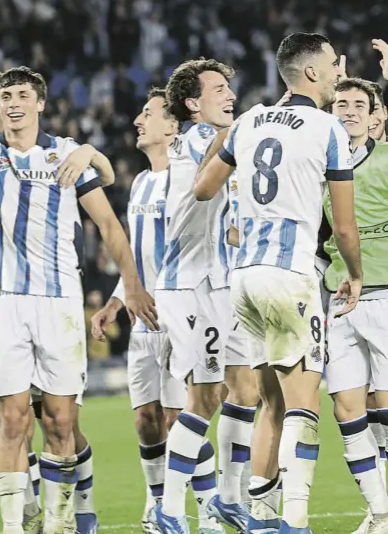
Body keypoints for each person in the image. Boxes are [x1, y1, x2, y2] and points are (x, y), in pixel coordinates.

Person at [0, 0, 157, 534]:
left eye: (24, 95)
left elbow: (109, 224)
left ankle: (55, 522)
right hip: (5, 303)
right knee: (13, 417)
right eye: (6, 97)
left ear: (40, 103)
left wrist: (132, 283)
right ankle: (13, 525)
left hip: (62, 303)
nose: (14, 103)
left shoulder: (66, 155)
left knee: (62, 420)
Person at [194, 32, 361, 534]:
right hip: (292, 275)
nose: (338, 71)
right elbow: (346, 226)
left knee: (272, 400)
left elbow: (202, 189)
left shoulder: (247, 121)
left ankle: (262, 517)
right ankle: (294, 520)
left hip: (243, 278)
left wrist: (242, 131)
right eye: (333, 65)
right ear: (310, 72)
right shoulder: (328, 128)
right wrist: (354, 274)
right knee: (303, 405)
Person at [92, 88, 221, 534]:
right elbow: (139, 253)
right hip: (141, 315)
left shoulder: (188, 179)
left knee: (178, 417)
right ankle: (157, 504)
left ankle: (205, 513)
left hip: (179, 310)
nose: (137, 122)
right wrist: (117, 296)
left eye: (147, 114)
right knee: (146, 422)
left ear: (172, 125)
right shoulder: (144, 181)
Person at [151, 58, 247, 534]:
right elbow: (204, 188)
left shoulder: (223, 141)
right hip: (186, 286)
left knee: (246, 389)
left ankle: (228, 499)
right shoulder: (192, 137)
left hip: (219, 283)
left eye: (230, 88)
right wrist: (246, 125)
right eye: (218, 89)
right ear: (193, 104)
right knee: (205, 396)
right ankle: (169, 509)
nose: (230, 95)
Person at [325, 76, 388, 534]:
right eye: (340, 103)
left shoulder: (386, 160)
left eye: (358, 104)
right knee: (347, 410)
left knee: (383, 406)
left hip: (385, 293)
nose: (348, 110)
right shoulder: (316, 164)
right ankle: (380, 512)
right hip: (338, 298)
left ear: (374, 115)